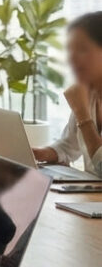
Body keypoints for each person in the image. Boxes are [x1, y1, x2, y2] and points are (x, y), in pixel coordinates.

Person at [33, 11, 102, 176]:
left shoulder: (82, 101)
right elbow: (68, 146)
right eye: (70, 50)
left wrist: (82, 113)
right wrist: (39, 153)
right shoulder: (89, 93)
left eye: (82, 49)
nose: (72, 58)